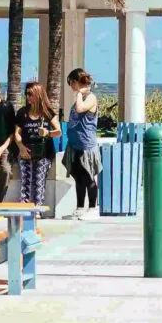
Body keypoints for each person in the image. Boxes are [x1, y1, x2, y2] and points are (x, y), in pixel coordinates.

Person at [11, 81, 57, 210]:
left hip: (44, 152)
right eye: (26, 94)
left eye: (31, 94)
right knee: (25, 180)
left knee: (39, 181)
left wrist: (48, 133)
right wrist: (21, 147)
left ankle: (38, 208)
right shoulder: (22, 113)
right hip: (26, 150)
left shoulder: (47, 113)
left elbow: (58, 132)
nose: (28, 97)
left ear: (38, 95)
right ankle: (25, 207)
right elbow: (17, 133)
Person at [63, 68, 102, 216]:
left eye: (72, 83)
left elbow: (80, 109)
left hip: (86, 145)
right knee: (78, 177)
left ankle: (93, 208)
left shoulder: (90, 97)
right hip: (74, 144)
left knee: (88, 176)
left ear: (76, 82)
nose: (71, 86)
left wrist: (80, 93)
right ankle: (80, 208)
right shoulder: (81, 97)